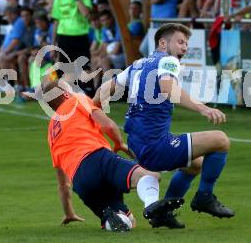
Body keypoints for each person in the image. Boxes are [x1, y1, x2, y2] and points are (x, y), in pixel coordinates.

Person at [93, 23, 235, 229]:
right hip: (154, 146)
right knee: (221, 140)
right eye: (180, 42)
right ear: (162, 43)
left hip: (136, 144)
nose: (184, 47)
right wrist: (203, 108)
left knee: (196, 164)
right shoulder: (168, 60)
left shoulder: (138, 64)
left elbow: (105, 89)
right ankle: (205, 196)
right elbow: (168, 88)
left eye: (186, 43)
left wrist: (92, 112)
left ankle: (162, 214)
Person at [44, 79, 184, 231]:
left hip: (80, 181)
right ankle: (152, 206)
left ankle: (110, 218)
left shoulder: (51, 132)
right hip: (97, 158)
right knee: (150, 176)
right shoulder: (77, 100)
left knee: (128, 220)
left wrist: (69, 213)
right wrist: (119, 143)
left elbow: (63, 185)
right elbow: (108, 125)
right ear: (65, 94)